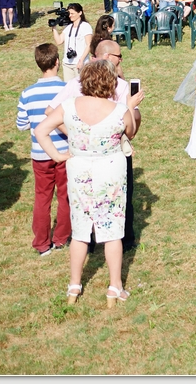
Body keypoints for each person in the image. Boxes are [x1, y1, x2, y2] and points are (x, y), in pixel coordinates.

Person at [36, 59, 139, 305]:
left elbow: (41, 130)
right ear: (111, 82)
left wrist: (57, 155)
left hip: (79, 170)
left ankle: (74, 286)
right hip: (111, 170)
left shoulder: (69, 106)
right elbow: (131, 133)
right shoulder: (119, 110)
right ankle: (114, 287)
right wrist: (130, 107)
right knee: (112, 230)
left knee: (80, 229)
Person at [44, 39, 141, 253]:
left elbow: (50, 112)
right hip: (112, 154)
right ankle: (121, 239)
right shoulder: (119, 85)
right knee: (118, 198)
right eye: (118, 56)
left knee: (83, 199)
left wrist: (77, 135)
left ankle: (87, 240)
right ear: (107, 57)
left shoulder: (77, 83)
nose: (121, 60)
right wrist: (133, 109)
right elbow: (131, 130)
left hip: (81, 156)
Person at [17, 44, 70, 256]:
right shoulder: (67, 90)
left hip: (40, 153)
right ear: (57, 62)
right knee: (65, 196)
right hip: (65, 150)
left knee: (42, 197)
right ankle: (61, 238)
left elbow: (21, 124)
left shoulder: (27, 93)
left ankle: (41, 242)